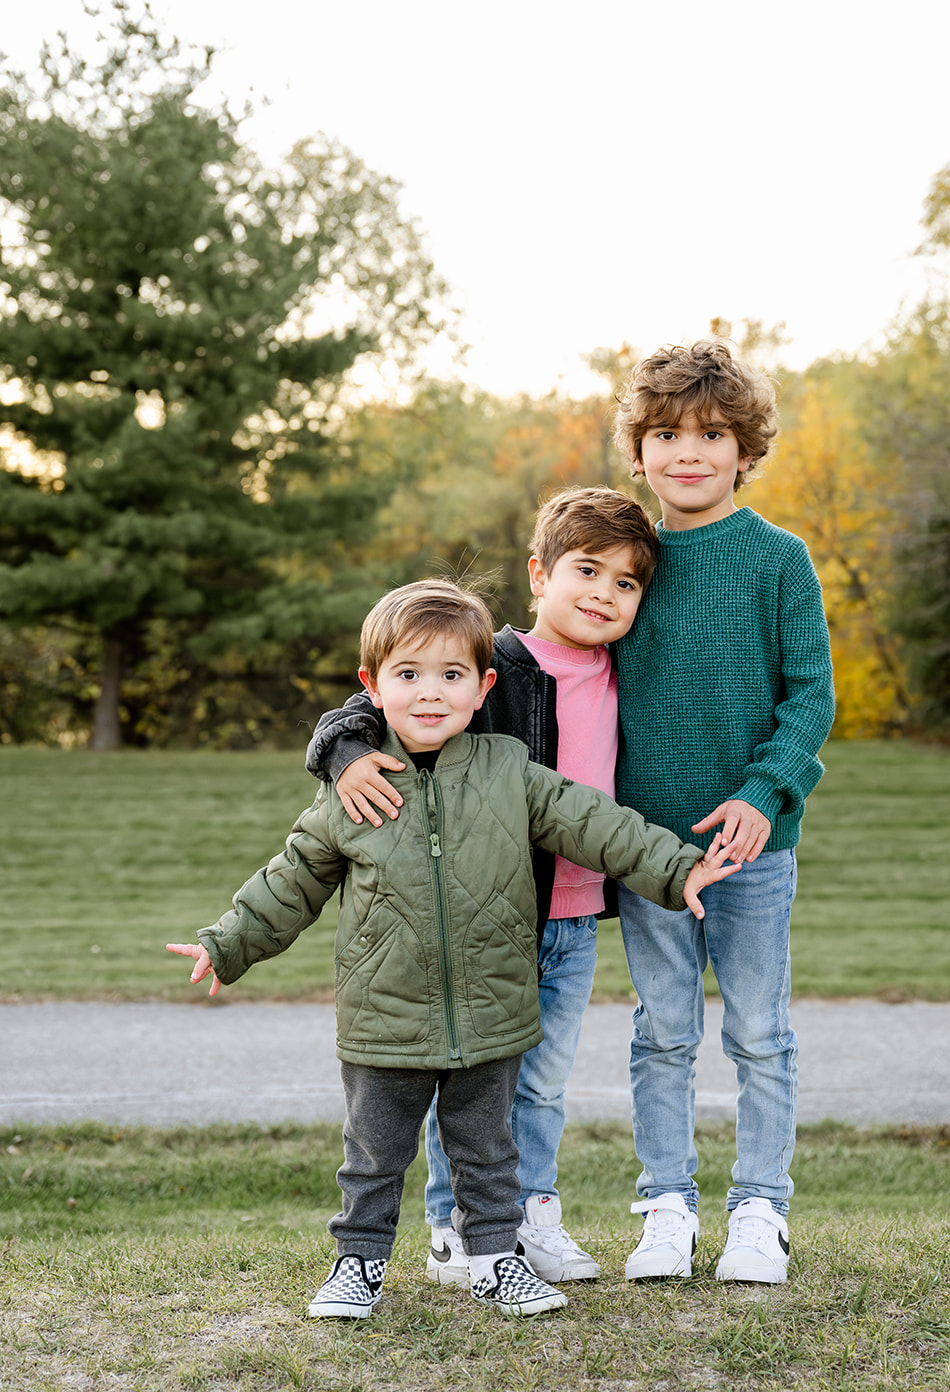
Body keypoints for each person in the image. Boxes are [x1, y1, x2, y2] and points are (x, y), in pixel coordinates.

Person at [168, 578, 738, 1321]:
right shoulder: (357, 786)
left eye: (450, 676)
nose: (429, 693)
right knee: (374, 1155)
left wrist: (674, 867)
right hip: (384, 1017)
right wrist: (228, 943)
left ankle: (496, 1260)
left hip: (491, 1009)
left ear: (482, 687)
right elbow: (293, 876)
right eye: (407, 675)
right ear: (372, 686)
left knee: (487, 1151)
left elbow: (595, 824)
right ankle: (358, 1265)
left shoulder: (508, 770)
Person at [305, 488, 665, 1288]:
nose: (604, 593)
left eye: (626, 583)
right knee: (457, 1072)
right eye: (586, 571)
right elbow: (365, 709)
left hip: (572, 915)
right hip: (486, 911)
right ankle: (448, 1228)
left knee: (538, 1085)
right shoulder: (488, 661)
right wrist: (339, 753)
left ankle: (526, 1221)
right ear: (539, 574)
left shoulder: (629, 667)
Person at [610, 338, 835, 1285]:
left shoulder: (778, 560)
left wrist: (760, 792)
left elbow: (809, 697)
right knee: (662, 1031)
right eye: (665, 433)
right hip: (647, 851)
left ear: (745, 450)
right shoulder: (624, 563)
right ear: (639, 452)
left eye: (710, 433)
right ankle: (666, 1203)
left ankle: (758, 1211)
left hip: (750, 849)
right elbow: (550, 664)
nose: (687, 451)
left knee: (756, 1032)